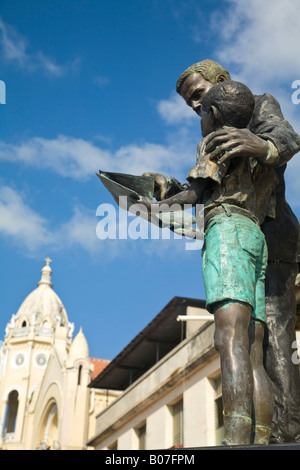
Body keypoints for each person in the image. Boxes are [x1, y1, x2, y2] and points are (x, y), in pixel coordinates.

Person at [147, 59, 300, 443]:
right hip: (250, 235)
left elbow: (286, 137)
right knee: (253, 345)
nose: (196, 108)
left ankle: (284, 434)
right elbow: (210, 185)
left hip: (272, 238)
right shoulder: (217, 131)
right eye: (190, 104)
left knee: (269, 344)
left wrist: (263, 144)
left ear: (221, 84)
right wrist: (171, 188)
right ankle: (266, 434)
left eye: (199, 97)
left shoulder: (258, 103)